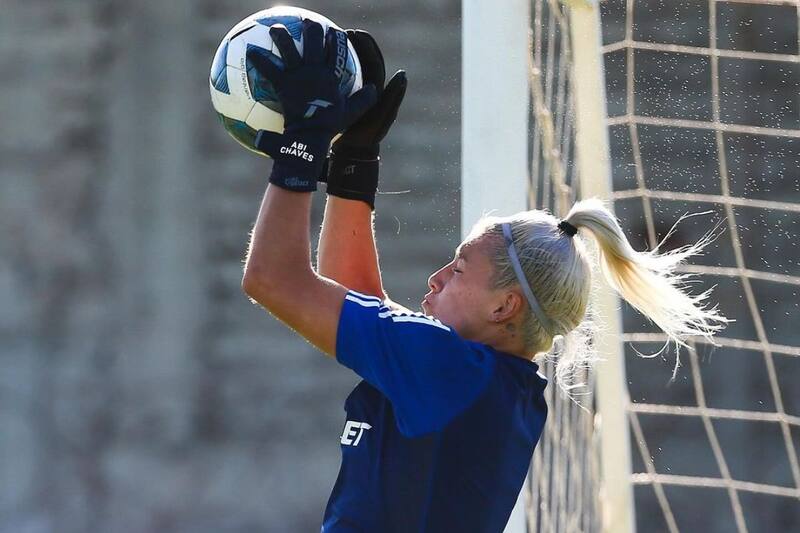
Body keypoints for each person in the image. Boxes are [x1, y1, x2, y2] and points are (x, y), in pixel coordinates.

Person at [239, 21, 727, 533]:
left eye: (459, 269)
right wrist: (353, 162)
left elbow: (271, 279)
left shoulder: (450, 368)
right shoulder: (491, 382)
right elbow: (358, 303)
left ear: (504, 306)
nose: (436, 277)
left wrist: (302, 145)